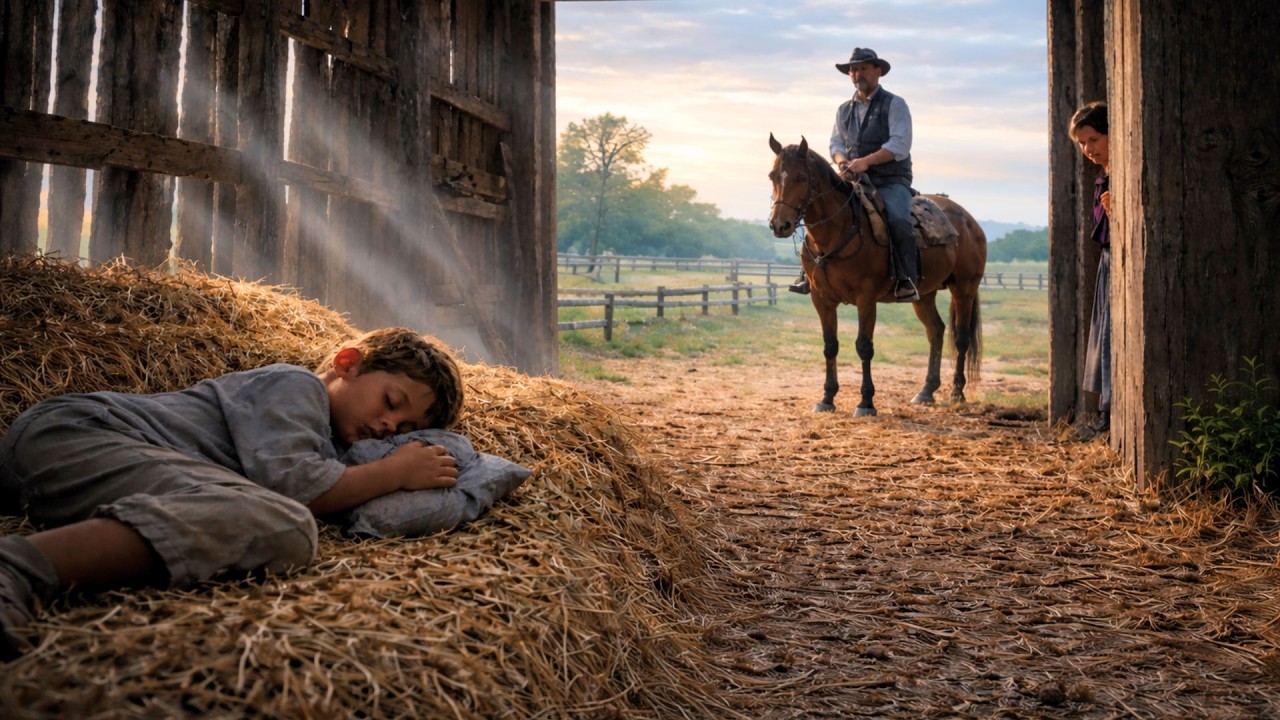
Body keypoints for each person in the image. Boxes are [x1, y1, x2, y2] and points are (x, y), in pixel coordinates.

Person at [0, 327, 465, 659]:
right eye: (390, 402)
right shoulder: (296, 386)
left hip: (78, 461)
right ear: (347, 363)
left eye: (404, 429)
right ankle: (16, 566)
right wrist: (395, 471)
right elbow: (301, 489)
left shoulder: (335, 448)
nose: (388, 426)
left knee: (277, 524)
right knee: (284, 523)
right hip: (79, 433)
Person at [791, 47, 920, 302]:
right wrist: (842, 163)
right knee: (820, 212)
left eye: (862, 68)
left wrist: (865, 162)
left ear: (878, 71)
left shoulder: (895, 104)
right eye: (853, 69)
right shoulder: (844, 110)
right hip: (853, 178)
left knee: (898, 220)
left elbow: (900, 144)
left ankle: (906, 279)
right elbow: (836, 144)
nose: (857, 74)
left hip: (890, 180)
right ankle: (808, 273)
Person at [1070, 101, 1112, 433]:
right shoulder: (1104, 178)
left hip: (1119, 266)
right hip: (1108, 264)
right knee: (1104, 334)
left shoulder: (1119, 178)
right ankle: (1105, 411)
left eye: (1094, 139)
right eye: (1083, 143)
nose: (1088, 149)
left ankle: (1109, 413)